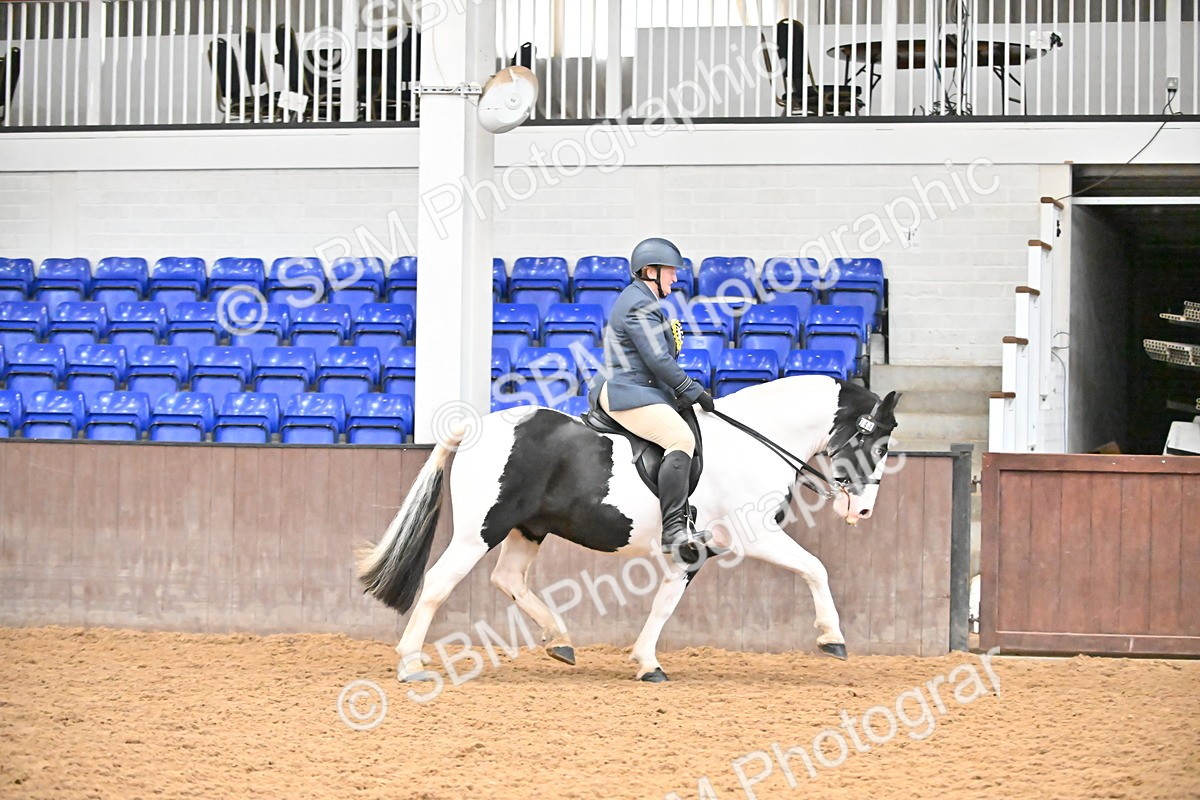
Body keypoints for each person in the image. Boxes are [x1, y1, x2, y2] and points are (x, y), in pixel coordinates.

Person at [589, 237, 716, 560]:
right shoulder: (637, 304)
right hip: (626, 389)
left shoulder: (646, 302)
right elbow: (658, 360)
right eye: (670, 271)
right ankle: (673, 529)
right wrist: (692, 389)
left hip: (643, 387)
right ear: (650, 271)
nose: (675, 277)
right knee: (680, 438)